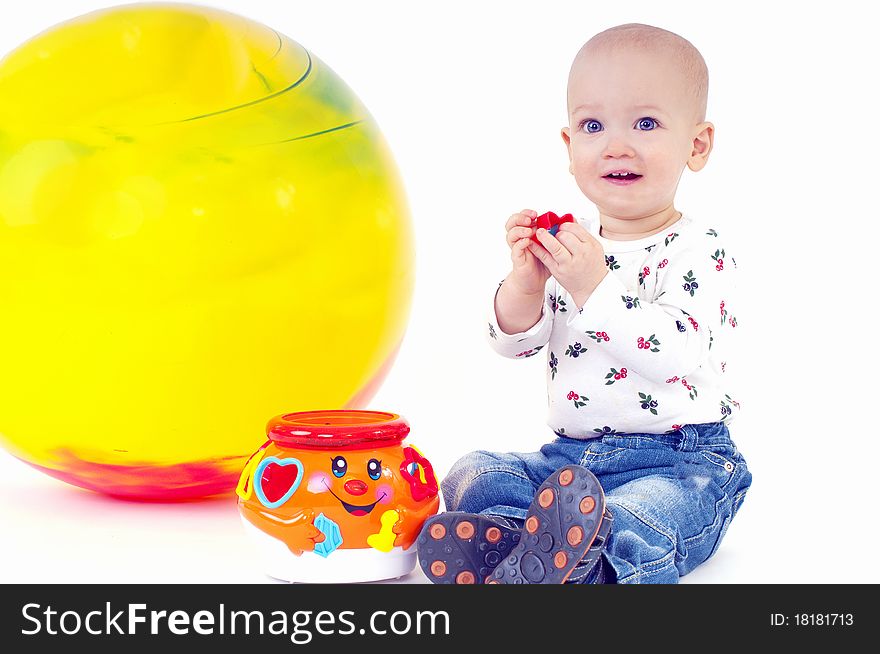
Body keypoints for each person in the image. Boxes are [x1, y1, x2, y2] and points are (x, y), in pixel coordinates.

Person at [416, 23, 752, 584]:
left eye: (645, 123)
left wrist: (595, 286)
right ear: (570, 148)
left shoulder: (697, 249)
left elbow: (673, 356)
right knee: (475, 470)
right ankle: (512, 542)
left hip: (680, 459)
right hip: (570, 461)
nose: (617, 145)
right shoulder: (574, 247)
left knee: (650, 515)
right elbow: (513, 343)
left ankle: (585, 565)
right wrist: (525, 282)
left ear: (696, 146)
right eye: (594, 125)